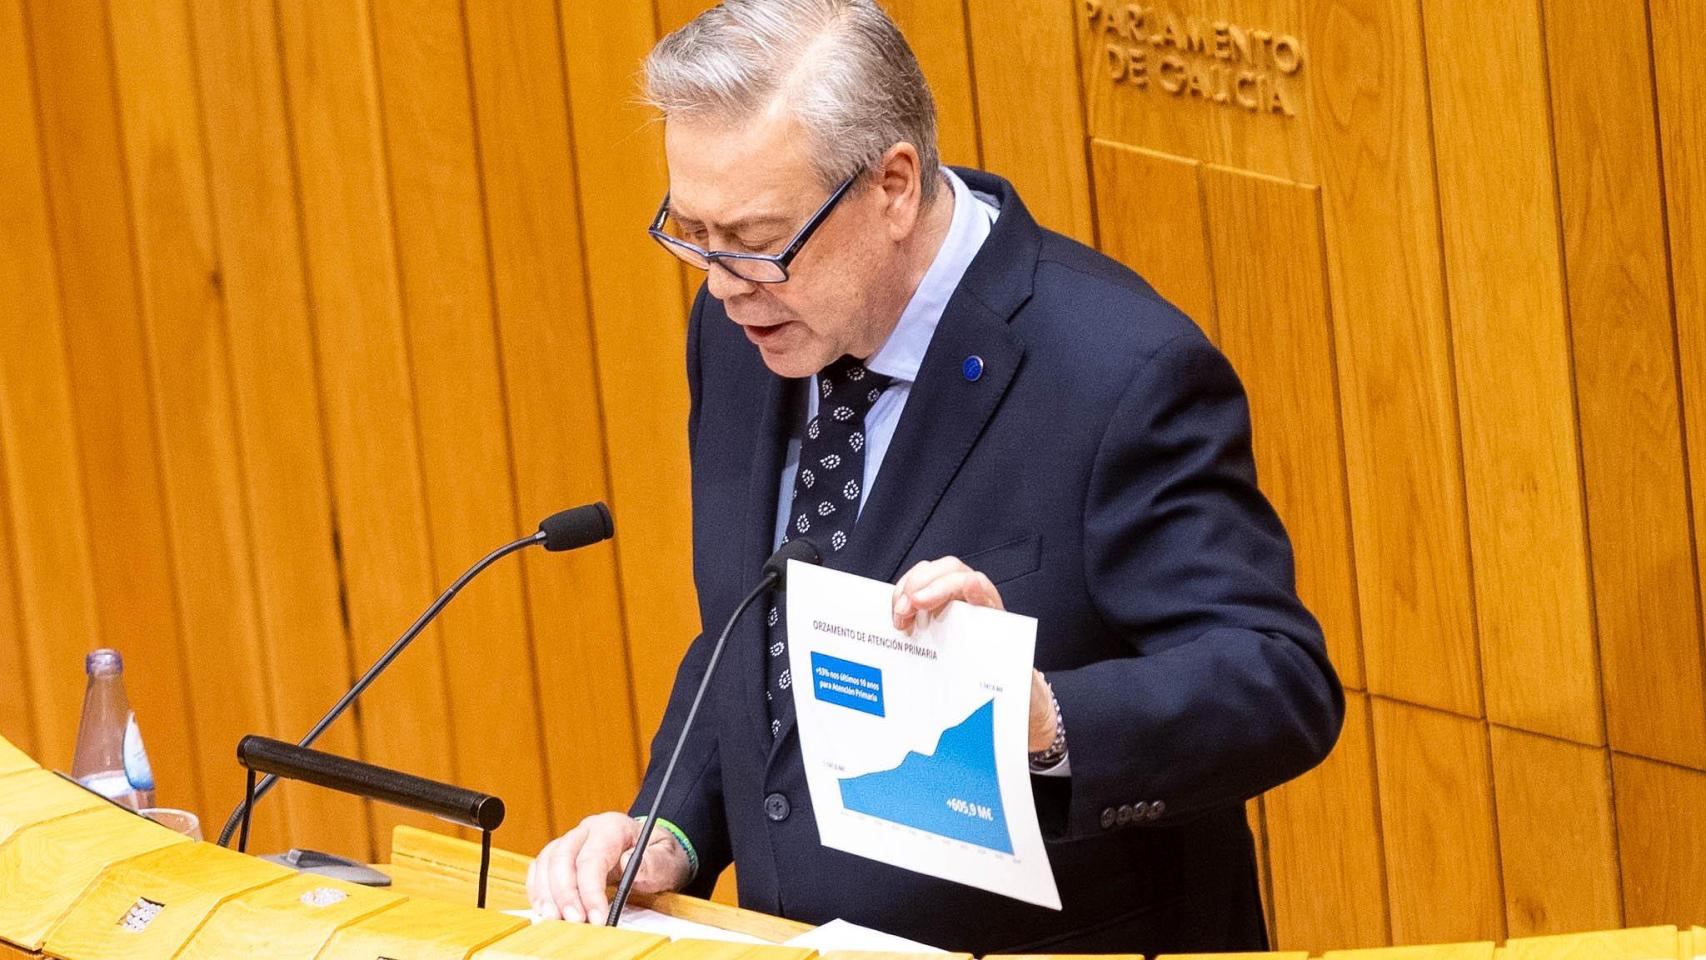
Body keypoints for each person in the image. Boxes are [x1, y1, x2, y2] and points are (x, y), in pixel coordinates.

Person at [526, 0, 1343, 953]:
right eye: (691, 231)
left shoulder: (1117, 371)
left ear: (895, 186)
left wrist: (1042, 719)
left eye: (754, 236)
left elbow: (1276, 684)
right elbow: (755, 633)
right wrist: (668, 828)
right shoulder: (745, 329)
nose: (720, 279)